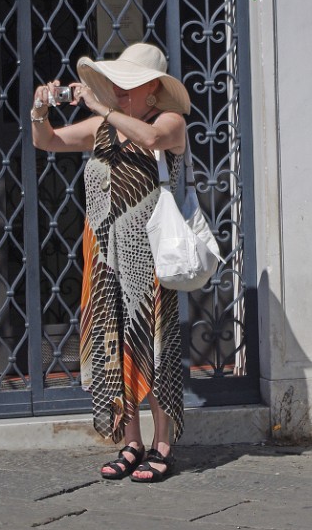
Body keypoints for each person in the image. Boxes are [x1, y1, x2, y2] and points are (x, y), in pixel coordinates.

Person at [31, 42, 191, 483]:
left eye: (130, 85)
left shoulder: (169, 122)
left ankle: (162, 445)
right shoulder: (102, 129)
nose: (121, 92)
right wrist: (40, 109)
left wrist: (102, 108)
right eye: (117, 85)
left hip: (149, 259)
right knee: (114, 349)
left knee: (153, 349)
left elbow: (152, 140)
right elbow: (46, 142)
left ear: (154, 91)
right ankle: (131, 443)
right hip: (103, 257)